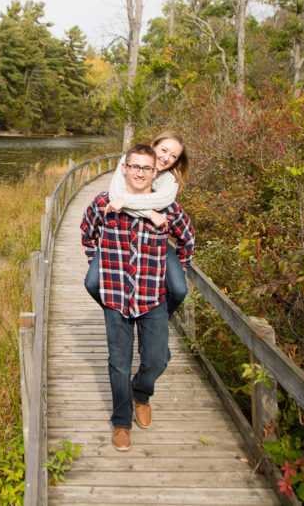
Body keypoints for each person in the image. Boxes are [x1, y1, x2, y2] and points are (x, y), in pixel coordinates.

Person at [80, 143, 195, 452]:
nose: (141, 173)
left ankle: (141, 394)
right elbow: (87, 231)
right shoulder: (105, 202)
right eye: (135, 167)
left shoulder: (167, 209)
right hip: (116, 297)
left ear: (155, 171)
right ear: (125, 168)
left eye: (147, 168)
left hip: (151, 296)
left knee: (158, 360)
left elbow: (187, 238)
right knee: (118, 363)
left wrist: (180, 268)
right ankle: (121, 421)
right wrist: (99, 264)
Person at [84, 132, 190, 316]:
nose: (166, 158)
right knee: (92, 283)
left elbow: (161, 201)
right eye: (163, 150)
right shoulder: (129, 161)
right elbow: (116, 196)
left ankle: (159, 315)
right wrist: (150, 213)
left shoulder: (171, 178)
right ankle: (116, 310)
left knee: (180, 290)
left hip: (152, 242)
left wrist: (182, 267)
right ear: (153, 146)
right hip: (118, 239)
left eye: (174, 156)